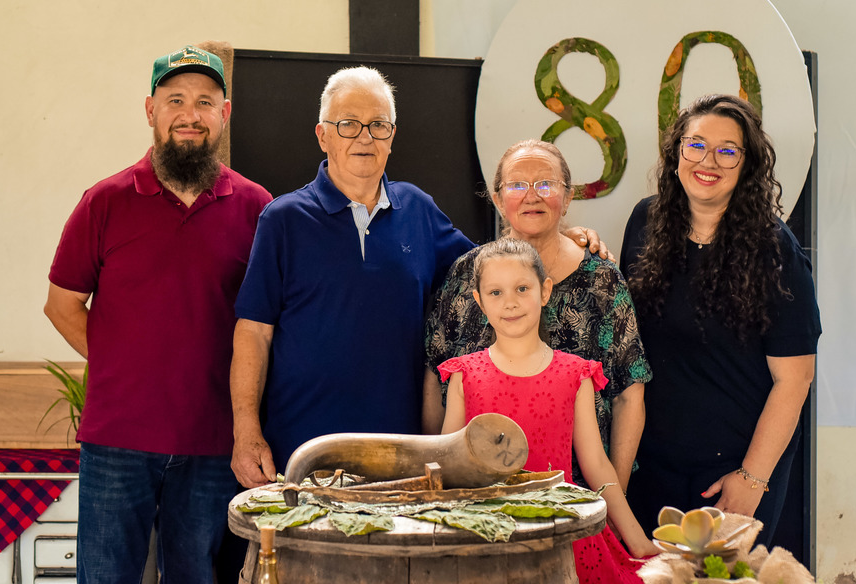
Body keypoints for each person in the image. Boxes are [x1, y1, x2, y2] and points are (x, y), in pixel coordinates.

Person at [230, 68, 612, 488]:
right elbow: (254, 332)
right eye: (348, 124)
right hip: (301, 446)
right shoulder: (283, 219)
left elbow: (491, 266)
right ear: (323, 135)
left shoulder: (418, 209)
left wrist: (555, 237)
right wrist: (246, 431)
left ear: (392, 136)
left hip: (400, 453)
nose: (364, 137)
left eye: (378, 125)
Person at [44, 44, 272, 584]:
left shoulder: (258, 208)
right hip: (117, 440)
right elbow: (61, 304)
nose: (190, 115)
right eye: (175, 101)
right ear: (151, 110)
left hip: (213, 441)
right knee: (105, 577)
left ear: (224, 114)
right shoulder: (104, 201)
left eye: (204, 102)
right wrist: (125, 366)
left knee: (196, 577)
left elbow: (267, 323)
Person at [620, 93, 820, 547]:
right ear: (677, 153)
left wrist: (752, 478)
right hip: (652, 462)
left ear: (747, 165)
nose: (708, 161)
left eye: (727, 151)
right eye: (696, 145)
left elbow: (795, 379)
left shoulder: (775, 248)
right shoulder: (646, 221)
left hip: (735, 468)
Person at [424, 140, 652, 506]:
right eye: (517, 185)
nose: (532, 196)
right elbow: (436, 376)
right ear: (498, 200)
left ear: (568, 196)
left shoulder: (603, 281)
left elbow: (629, 393)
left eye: (546, 184)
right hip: (478, 498)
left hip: (578, 497)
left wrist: (611, 503)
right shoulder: (466, 274)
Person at [439, 238, 649, 583]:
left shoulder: (576, 374)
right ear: (479, 301)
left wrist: (637, 540)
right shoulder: (464, 375)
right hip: (486, 536)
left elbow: (596, 464)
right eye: (495, 292)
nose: (510, 302)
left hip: (563, 533)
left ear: (545, 291)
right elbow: (447, 464)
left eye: (522, 288)